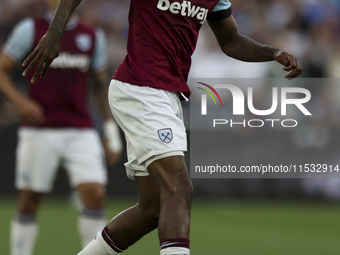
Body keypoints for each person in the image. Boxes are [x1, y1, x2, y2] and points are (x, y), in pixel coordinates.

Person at [21, 0, 303, 254]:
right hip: (140, 87)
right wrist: (55, 31)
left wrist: (273, 52)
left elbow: (231, 42)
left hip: (168, 95)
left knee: (152, 209)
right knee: (179, 187)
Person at [0, 0, 123, 254]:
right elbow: (1, 70)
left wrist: (110, 132)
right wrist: (21, 102)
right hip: (38, 129)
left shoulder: (91, 36)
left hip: (81, 129)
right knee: (29, 200)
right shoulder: (30, 30)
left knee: (96, 194)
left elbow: (99, 86)